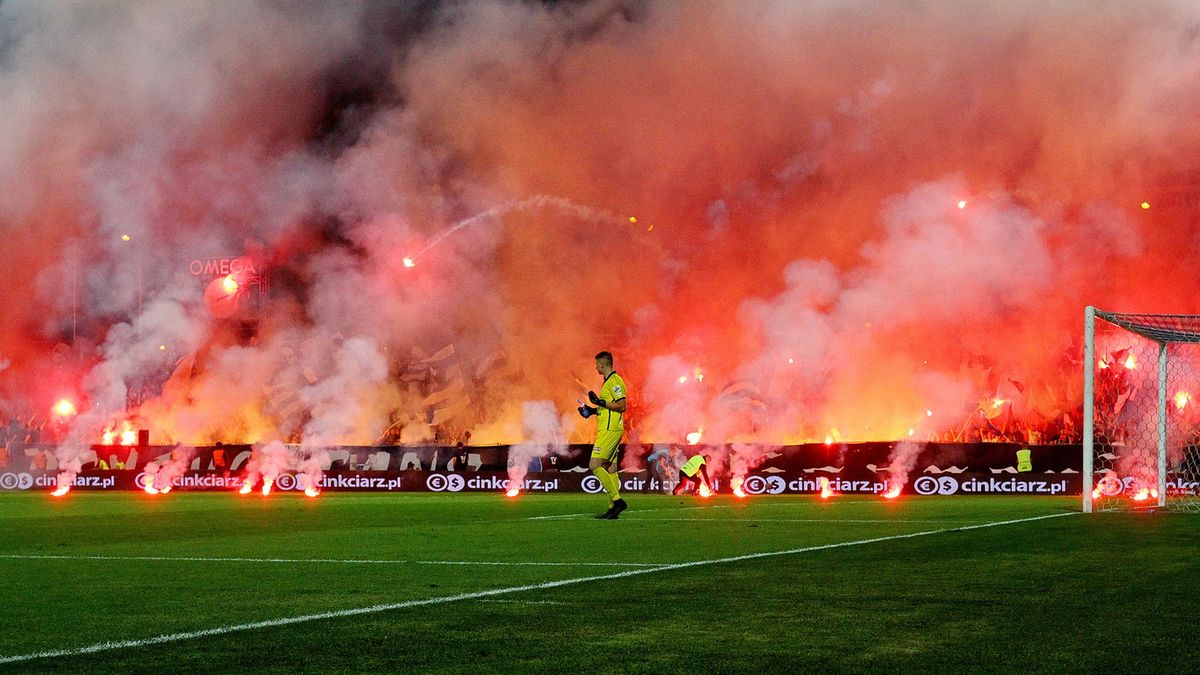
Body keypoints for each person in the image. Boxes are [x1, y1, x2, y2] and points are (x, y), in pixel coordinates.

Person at [578, 350, 629, 519]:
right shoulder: (607, 382)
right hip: (609, 427)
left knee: (594, 465)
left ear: (603, 364)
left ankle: (618, 500)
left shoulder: (615, 381)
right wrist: (592, 410)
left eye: (597, 364)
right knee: (610, 468)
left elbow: (622, 406)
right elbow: (607, 408)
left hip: (610, 430)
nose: (595, 367)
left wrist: (600, 402)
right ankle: (612, 508)